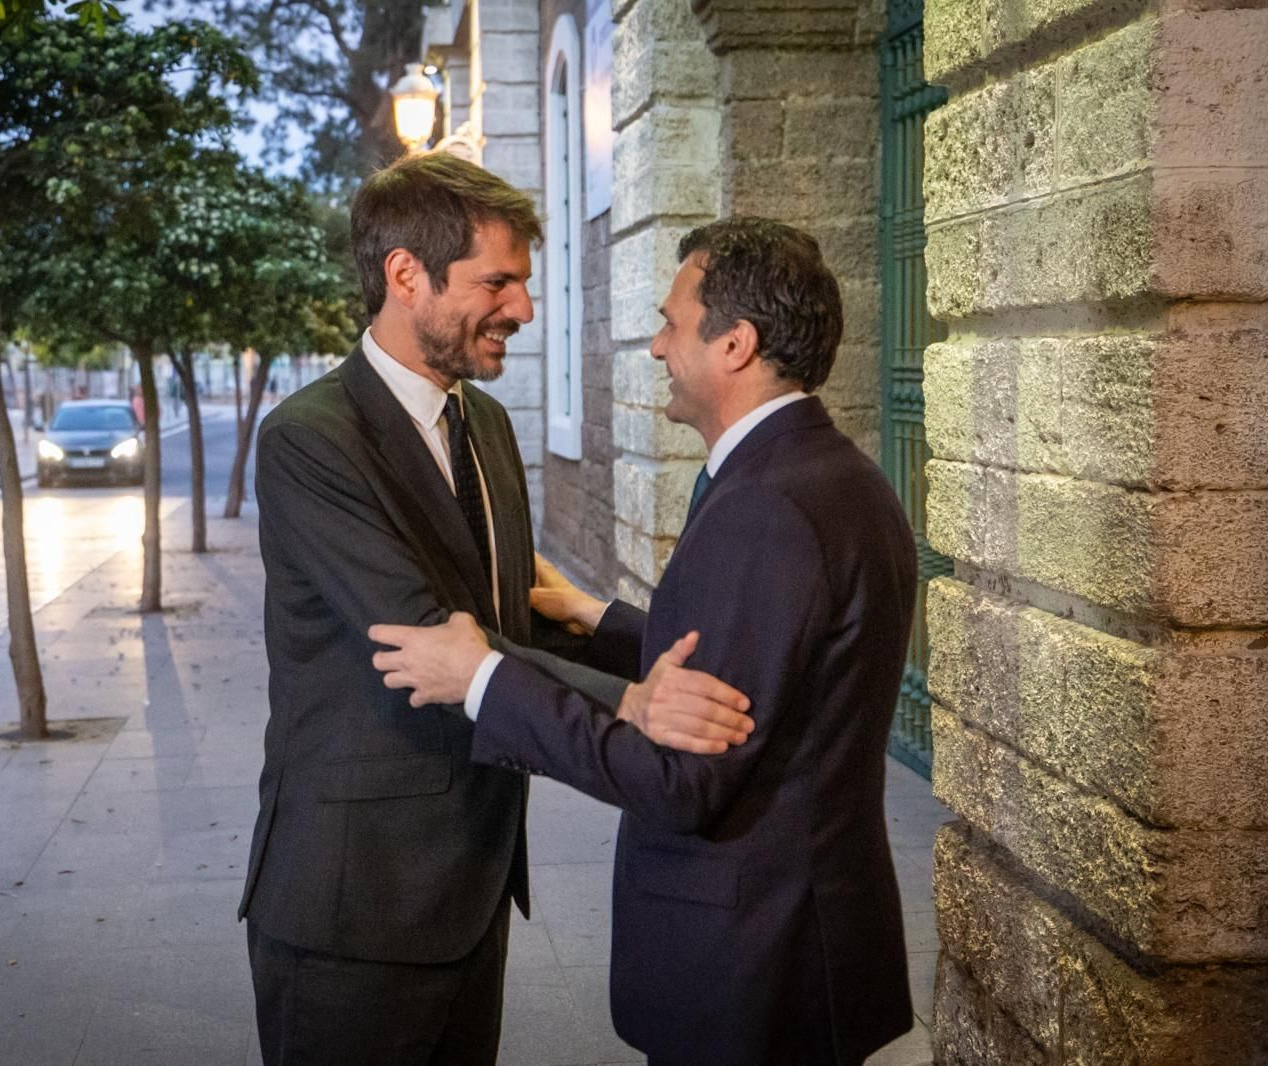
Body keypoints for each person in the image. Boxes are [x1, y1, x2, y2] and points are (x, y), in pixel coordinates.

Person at [240, 153, 752, 1066]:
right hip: (355, 900)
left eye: (523, 281)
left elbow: (507, 624)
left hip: (471, 887)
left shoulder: (486, 425)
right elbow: (428, 644)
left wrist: (637, 651)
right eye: (498, 281)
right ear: (405, 275)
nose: (522, 307)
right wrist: (630, 708)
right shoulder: (309, 441)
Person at [371, 217, 919, 1065]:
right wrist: (598, 619)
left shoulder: (765, 511)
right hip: (798, 938)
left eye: (672, 323)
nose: (658, 346)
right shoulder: (830, 474)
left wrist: (481, 680)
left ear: (735, 344)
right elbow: (751, 672)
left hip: (754, 962)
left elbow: (680, 776)